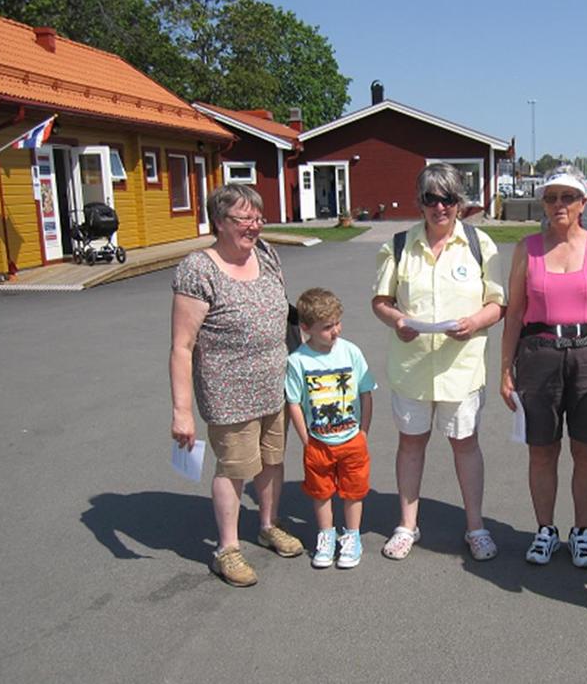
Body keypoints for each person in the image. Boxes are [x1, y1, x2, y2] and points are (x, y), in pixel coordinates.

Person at [170, 184, 303, 588]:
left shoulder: (265, 254)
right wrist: (181, 411)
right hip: (228, 391)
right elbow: (181, 346)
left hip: (274, 385)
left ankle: (268, 524)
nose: (254, 227)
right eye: (245, 219)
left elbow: (287, 316)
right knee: (234, 468)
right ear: (219, 222)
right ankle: (227, 548)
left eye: (258, 218)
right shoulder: (198, 268)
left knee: (272, 460)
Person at [371, 163, 506, 562]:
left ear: (459, 204)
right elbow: (381, 301)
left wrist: (474, 322)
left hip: (460, 370)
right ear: (421, 203)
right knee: (411, 445)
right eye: (431, 198)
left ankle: (476, 527)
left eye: (448, 198)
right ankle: (406, 525)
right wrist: (397, 320)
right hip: (411, 367)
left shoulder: (480, 244)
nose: (440, 207)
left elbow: (496, 303)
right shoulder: (397, 245)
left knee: (465, 446)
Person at [499, 165, 587, 568]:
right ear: (543, 203)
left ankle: (582, 532)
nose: (559, 205)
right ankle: (545, 530)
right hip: (539, 354)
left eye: (567, 197)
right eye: (551, 197)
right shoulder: (528, 248)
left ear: (582, 203)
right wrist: (505, 369)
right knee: (542, 450)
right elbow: (515, 312)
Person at [285, 288, 376, 569]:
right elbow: (294, 403)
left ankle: (352, 536)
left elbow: (366, 392)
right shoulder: (298, 361)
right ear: (306, 328)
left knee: (353, 491)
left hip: (352, 440)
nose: (335, 330)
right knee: (321, 491)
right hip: (318, 442)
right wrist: (306, 440)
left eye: (337, 323)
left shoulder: (351, 352)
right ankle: (326, 534)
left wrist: (364, 432)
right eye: (326, 327)